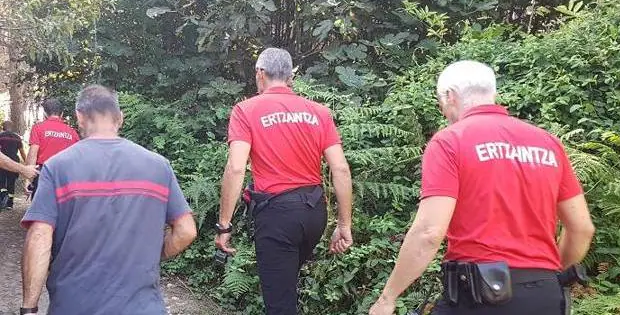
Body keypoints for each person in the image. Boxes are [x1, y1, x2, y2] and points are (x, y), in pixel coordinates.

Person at [369, 60, 595, 315]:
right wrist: (543, 276)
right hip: (546, 298)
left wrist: (388, 298)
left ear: (449, 96)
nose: (443, 111)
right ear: (492, 94)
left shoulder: (451, 141)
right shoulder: (548, 143)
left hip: (481, 298)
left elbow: (429, 233)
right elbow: (582, 228)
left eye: (440, 103)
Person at [20, 85, 197, 315]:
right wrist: (155, 253)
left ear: (80, 118)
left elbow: (40, 238)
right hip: (144, 308)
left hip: (74, 306)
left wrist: (29, 308)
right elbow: (186, 231)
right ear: (120, 118)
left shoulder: (58, 167)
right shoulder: (158, 166)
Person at [216, 48, 354, 315]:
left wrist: (224, 225)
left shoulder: (246, 110)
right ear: (291, 77)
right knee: (285, 286)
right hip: (315, 214)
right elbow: (341, 169)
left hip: (278, 216)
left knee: (279, 303)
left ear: (260, 73)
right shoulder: (319, 112)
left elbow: (235, 168)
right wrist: (344, 224)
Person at [25, 98, 80, 198]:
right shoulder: (73, 133)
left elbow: (33, 153)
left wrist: (28, 179)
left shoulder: (38, 128)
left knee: (41, 208)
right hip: (65, 175)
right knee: (63, 208)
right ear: (62, 114)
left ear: (45, 113)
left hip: (44, 172)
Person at [0, 121, 27, 209]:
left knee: (1, 181)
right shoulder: (17, 137)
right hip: (14, 162)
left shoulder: (1, 136)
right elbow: (22, 152)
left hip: (2, 162)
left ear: (3, 127)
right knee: (11, 182)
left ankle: (3, 196)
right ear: (12, 127)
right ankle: (10, 204)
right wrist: (26, 164)